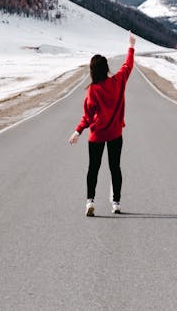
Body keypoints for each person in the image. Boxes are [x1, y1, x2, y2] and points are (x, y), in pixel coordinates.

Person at [69, 31, 136, 217]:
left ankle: (90, 201)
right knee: (115, 167)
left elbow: (87, 116)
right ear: (106, 68)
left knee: (93, 168)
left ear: (92, 71)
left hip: (96, 135)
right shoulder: (118, 81)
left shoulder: (92, 90)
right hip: (115, 134)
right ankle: (116, 203)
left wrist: (78, 131)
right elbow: (128, 65)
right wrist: (131, 46)